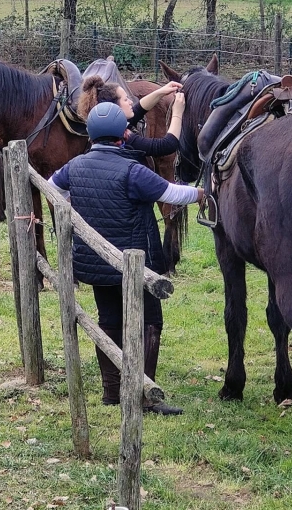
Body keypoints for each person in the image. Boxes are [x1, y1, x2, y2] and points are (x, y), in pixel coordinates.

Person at [48, 102, 204, 415]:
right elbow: (171, 194)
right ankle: (144, 396)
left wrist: (73, 203)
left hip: (94, 262)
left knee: (108, 321)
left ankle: (111, 391)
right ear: (123, 134)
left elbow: (52, 188)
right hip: (134, 267)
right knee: (149, 323)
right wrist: (201, 194)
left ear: (91, 134)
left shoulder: (74, 166)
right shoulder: (132, 171)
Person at [77, 76, 183, 157]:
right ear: (115, 107)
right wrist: (177, 112)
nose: (131, 102)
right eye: (125, 99)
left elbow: (139, 109)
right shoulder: (123, 139)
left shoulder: (108, 128)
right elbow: (167, 146)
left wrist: (161, 91)